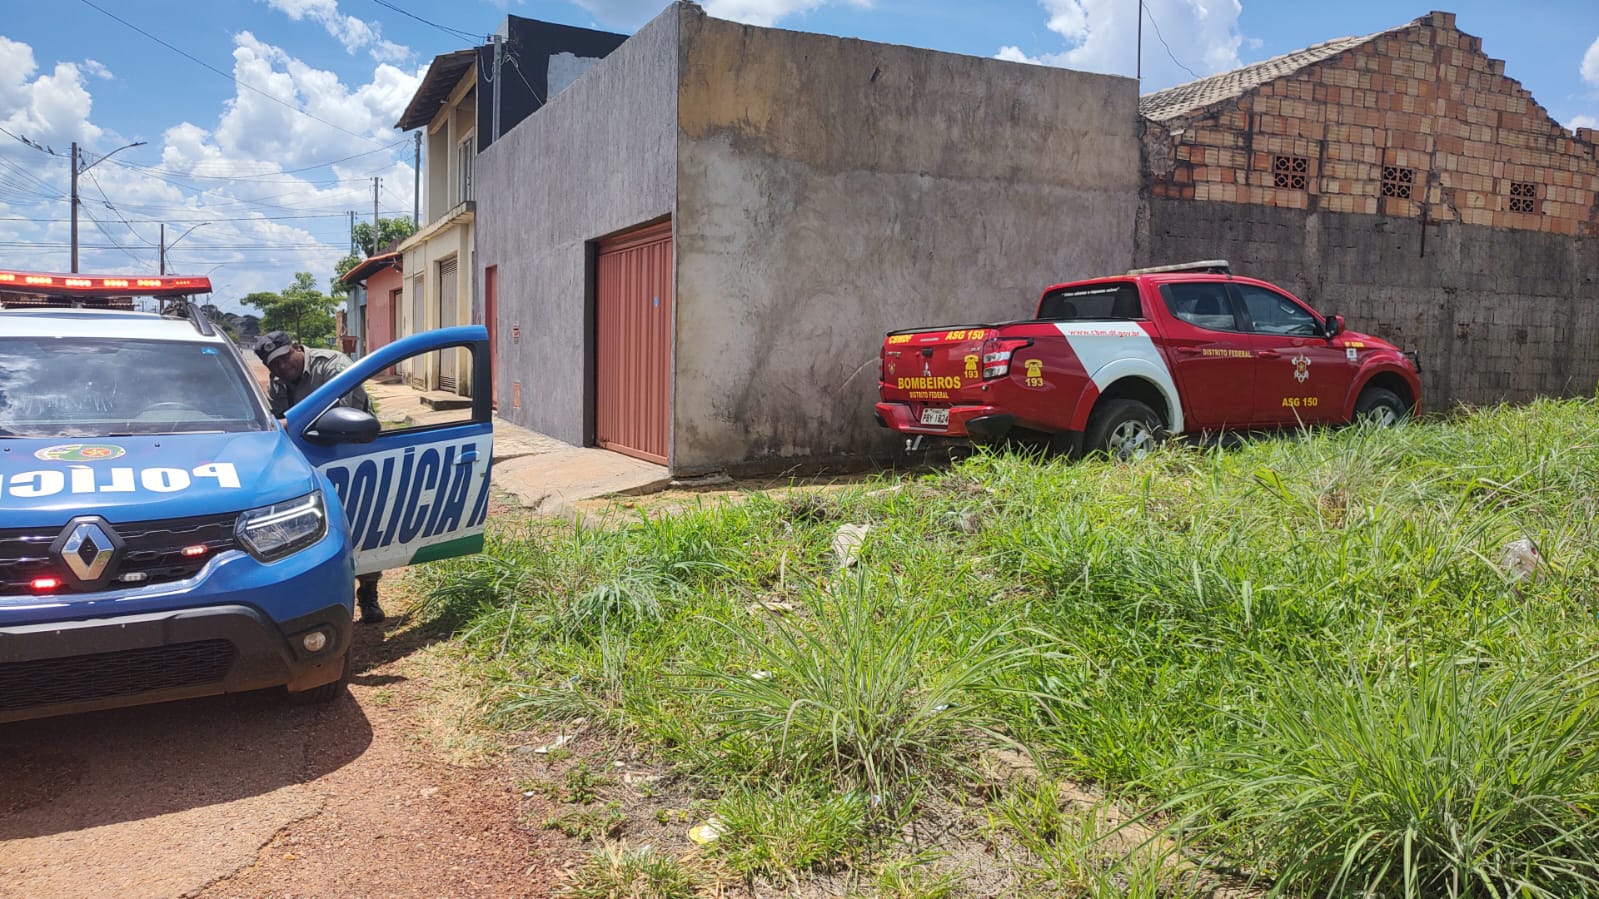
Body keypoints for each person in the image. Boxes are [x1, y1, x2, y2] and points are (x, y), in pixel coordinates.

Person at [255, 330, 386, 624]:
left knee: (361, 522)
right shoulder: (279, 382)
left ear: (297, 348)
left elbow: (341, 409)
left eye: (285, 358)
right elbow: (275, 419)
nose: (282, 367)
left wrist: (291, 423)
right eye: (273, 364)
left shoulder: (333, 364)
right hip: (310, 456)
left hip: (353, 450)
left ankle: (369, 593)